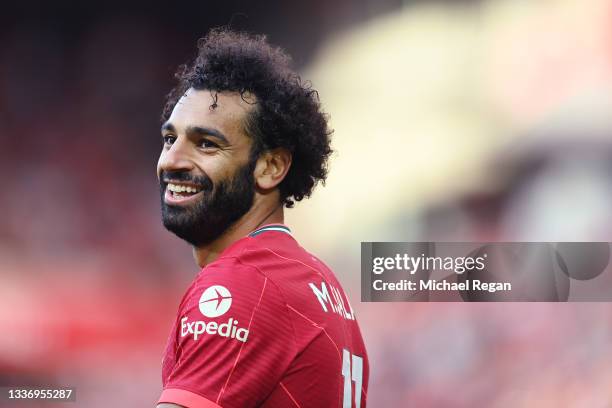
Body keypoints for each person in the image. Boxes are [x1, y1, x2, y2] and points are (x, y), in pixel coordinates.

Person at [155, 28, 369, 408]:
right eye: (170, 139)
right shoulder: (321, 283)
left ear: (271, 167)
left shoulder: (244, 283)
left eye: (206, 144)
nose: (172, 160)